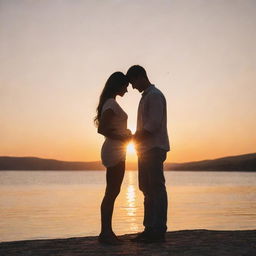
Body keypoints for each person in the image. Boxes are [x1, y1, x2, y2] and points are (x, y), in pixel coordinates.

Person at [126, 65, 170, 243]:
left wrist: (132, 138)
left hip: (153, 148)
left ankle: (158, 230)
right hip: (144, 150)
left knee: (156, 188)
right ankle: (149, 228)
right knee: (146, 188)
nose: (133, 87)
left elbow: (153, 125)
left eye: (133, 82)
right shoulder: (147, 97)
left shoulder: (154, 96)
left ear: (140, 77)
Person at [94, 72, 132, 245]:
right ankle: (106, 233)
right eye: (125, 86)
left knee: (113, 191)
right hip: (114, 150)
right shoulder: (110, 103)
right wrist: (124, 138)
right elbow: (102, 129)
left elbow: (113, 128)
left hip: (118, 150)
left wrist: (125, 134)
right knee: (111, 192)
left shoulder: (111, 103)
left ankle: (106, 232)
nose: (127, 89)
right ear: (118, 85)